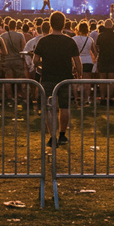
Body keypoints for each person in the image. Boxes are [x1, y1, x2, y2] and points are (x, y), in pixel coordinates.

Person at [33, 11, 82, 148]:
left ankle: (52, 137)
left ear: (50, 24)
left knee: (49, 108)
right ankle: (62, 134)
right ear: (63, 24)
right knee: (64, 107)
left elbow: (35, 60)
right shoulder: (69, 41)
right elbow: (77, 61)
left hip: (48, 77)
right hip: (65, 78)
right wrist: (80, 75)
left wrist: (42, 64)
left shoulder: (43, 41)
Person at [92, 18, 114, 102]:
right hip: (113, 58)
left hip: (102, 58)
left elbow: (96, 46)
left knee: (102, 79)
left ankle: (102, 98)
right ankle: (109, 98)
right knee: (111, 79)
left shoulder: (100, 35)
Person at [72, 21, 96, 105]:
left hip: (77, 61)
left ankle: (76, 99)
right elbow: (94, 52)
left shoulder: (74, 39)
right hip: (88, 61)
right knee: (87, 81)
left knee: (75, 81)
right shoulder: (90, 39)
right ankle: (86, 99)